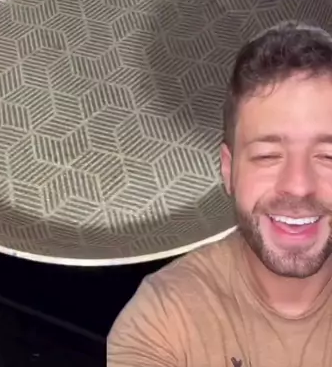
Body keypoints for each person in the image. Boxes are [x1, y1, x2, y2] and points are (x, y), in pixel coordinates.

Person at [108, 21, 332, 367]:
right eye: (268, 156)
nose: (299, 185)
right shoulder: (164, 319)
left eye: (328, 157)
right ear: (229, 170)